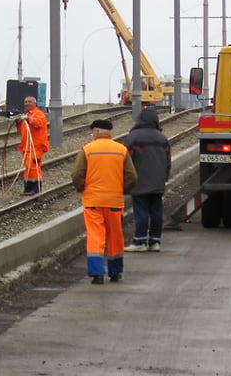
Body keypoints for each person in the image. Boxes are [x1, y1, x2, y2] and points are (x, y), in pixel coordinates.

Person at [71, 118, 137, 284]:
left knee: (95, 236)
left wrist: (82, 189)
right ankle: (115, 273)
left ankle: (97, 274)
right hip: (114, 202)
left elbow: (77, 174)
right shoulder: (121, 150)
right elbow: (132, 176)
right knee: (115, 237)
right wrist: (122, 191)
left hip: (93, 201)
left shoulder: (87, 149)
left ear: (96, 131)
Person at [124, 106, 171, 252]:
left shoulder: (133, 137)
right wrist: (165, 177)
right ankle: (155, 241)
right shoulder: (162, 138)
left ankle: (139, 241)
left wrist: (126, 181)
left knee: (141, 211)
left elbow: (126, 161)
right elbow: (168, 161)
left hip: (139, 181)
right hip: (158, 182)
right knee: (156, 211)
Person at [15, 95, 49, 195]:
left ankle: (35, 188)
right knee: (28, 167)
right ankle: (28, 188)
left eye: (29, 102)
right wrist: (18, 123)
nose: (27, 103)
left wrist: (27, 118)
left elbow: (37, 123)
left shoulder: (39, 114)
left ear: (35, 103)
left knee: (34, 167)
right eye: (26, 102)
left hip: (36, 146)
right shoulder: (27, 115)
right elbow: (21, 132)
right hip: (27, 146)